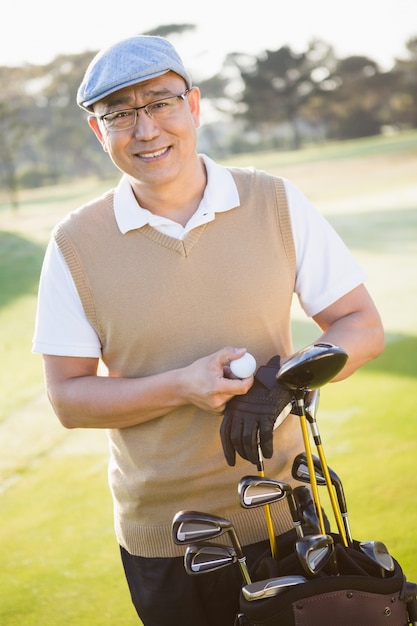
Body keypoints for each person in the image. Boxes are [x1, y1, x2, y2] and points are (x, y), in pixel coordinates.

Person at [32, 35, 384, 626]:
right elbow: (68, 398)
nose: (145, 129)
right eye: (119, 113)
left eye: (160, 103)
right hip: (168, 543)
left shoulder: (273, 199)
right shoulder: (74, 244)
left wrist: (281, 381)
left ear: (193, 106)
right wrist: (184, 386)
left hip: (291, 518)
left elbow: (361, 326)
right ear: (100, 132)